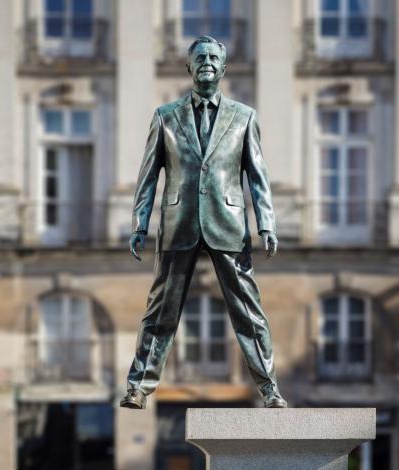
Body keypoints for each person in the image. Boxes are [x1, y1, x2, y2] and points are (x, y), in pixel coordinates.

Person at [120, 36, 287, 409]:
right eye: (200, 57)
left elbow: (257, 176)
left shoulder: (244, 117)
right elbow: (148, 176)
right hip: (179, 222)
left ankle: (269, 388)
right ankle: (139, 386)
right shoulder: (165, 116)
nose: (207, 62)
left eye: (214, 57)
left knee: (248, 311)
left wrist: (267, 223)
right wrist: (139, 223)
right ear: (189, 67)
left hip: (227, 223)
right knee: (161, 309)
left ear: (224, 69)